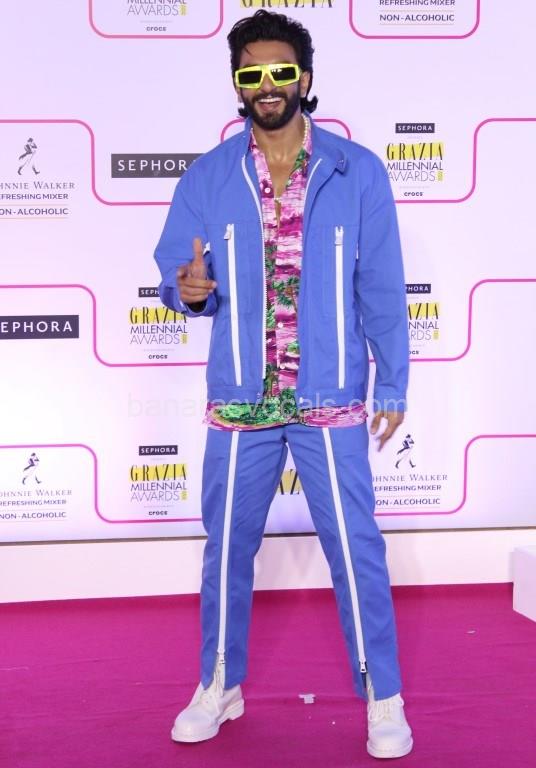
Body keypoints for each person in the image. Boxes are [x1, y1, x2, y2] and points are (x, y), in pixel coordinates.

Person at [154, 10, 412, 759]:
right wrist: (187, 291)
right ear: (237, 84)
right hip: (241, 400)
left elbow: (382, 288)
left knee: (355, 548)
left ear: (304, 77)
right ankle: (219, 684)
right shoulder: (208, 176)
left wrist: (392, 383)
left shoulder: (356, 170)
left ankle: (384, 696)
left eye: (280, 70)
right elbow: (177, 272)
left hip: (329, 398)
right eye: (251, 73)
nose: (267, 84)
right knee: (226, 551)